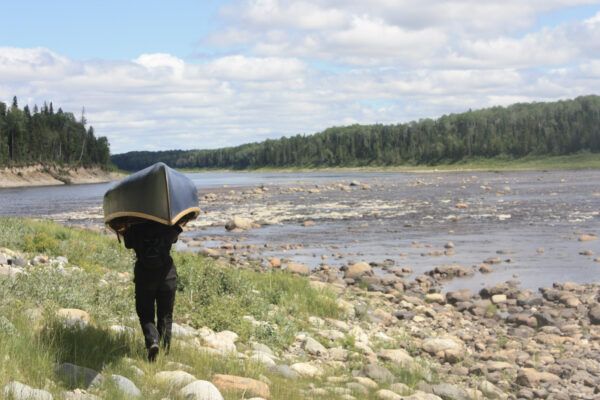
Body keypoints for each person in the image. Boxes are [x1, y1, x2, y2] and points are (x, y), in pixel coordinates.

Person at [123, 220, 182, 362]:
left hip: (145, 278)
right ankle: (165, 352)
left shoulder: (135, 227)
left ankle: (152, 342)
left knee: (145, 313)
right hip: (167, 277)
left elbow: (127, 243)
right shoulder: (167, 224)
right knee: (166, 316)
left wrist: (126, 226)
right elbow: (175, 237)